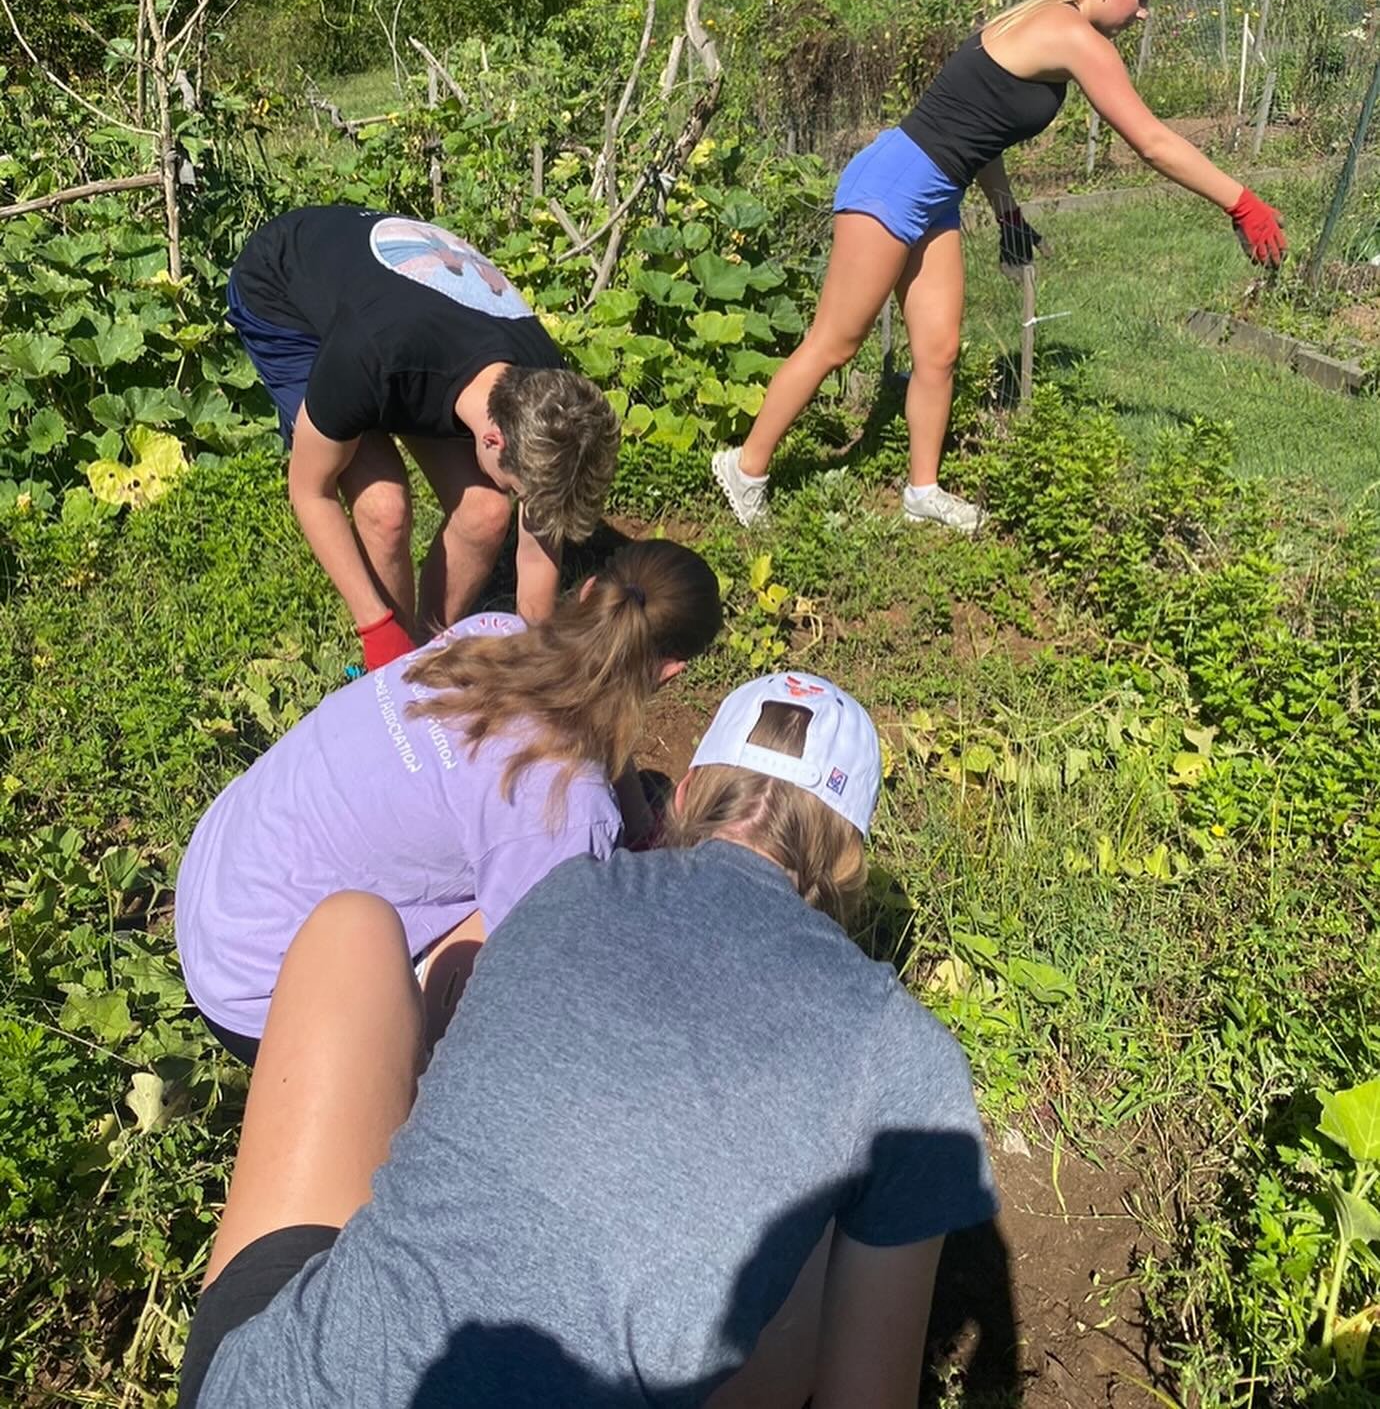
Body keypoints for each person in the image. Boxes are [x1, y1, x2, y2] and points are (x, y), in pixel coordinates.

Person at [177, 670, 997, 1409]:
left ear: (684, 796)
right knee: (817, 1204)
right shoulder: (901, 1055)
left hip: (275, 1384)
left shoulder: (565, 886)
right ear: (849, 862)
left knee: (349, 929)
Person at [712, 0, 1288, 537]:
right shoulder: (1074, 37)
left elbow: (979, 132)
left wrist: (1006, 211)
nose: (1145, 11)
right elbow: (1151, 142)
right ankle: (745, 468)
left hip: (935, 192)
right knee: (837, 342)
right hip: (895, 184)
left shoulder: (1043, 20)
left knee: (938, 350)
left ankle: (922, 491)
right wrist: (1241, 199)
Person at [174, 539, 723, 1061]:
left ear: (589, 591)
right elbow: (536, 980)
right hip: (262, 1001)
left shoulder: (489, 633)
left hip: (214, 892)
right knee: (546, 941)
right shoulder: (565, 807)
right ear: (672, 671)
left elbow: (593, 725)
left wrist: (634, 815)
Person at [226, 207, 622, 668]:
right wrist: (377, 629)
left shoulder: (548, 400)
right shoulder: (372, 353)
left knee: (486, 514)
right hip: (285, 297)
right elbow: (310, 492)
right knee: (384, 510)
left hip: (406, 325)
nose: (518, 498)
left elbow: (537, 546)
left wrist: (539, 656)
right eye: (520, 489)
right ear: (494, 440)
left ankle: (422, 657)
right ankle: (388, 665)